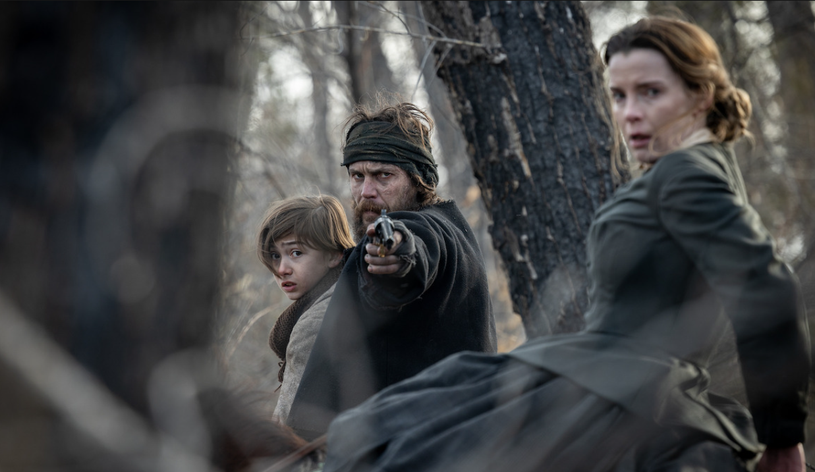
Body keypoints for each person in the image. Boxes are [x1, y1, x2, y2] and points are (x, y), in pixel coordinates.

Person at [321, 17, 810, 472]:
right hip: (603, 379)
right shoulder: (696, 168)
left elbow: (766, 288)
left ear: (700, 95)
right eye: (618, 96)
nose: (630, 114)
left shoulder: (687, 174)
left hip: (620, 390)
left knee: (387, 437)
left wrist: (783, 437)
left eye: (650, 93)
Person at [285, 102, 498, 440]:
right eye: (358, 176)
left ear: (418, 179)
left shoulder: (430, 230)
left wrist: (397, 256)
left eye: (383, 175)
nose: (366, 192)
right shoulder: (452, 227)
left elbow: (414, 252)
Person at [257, 195, 354, 425]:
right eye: (275, 255)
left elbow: (289, 434)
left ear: (334, 254)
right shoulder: (350, 295)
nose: (281, 269)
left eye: (296, 253)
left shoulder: (314, 324)